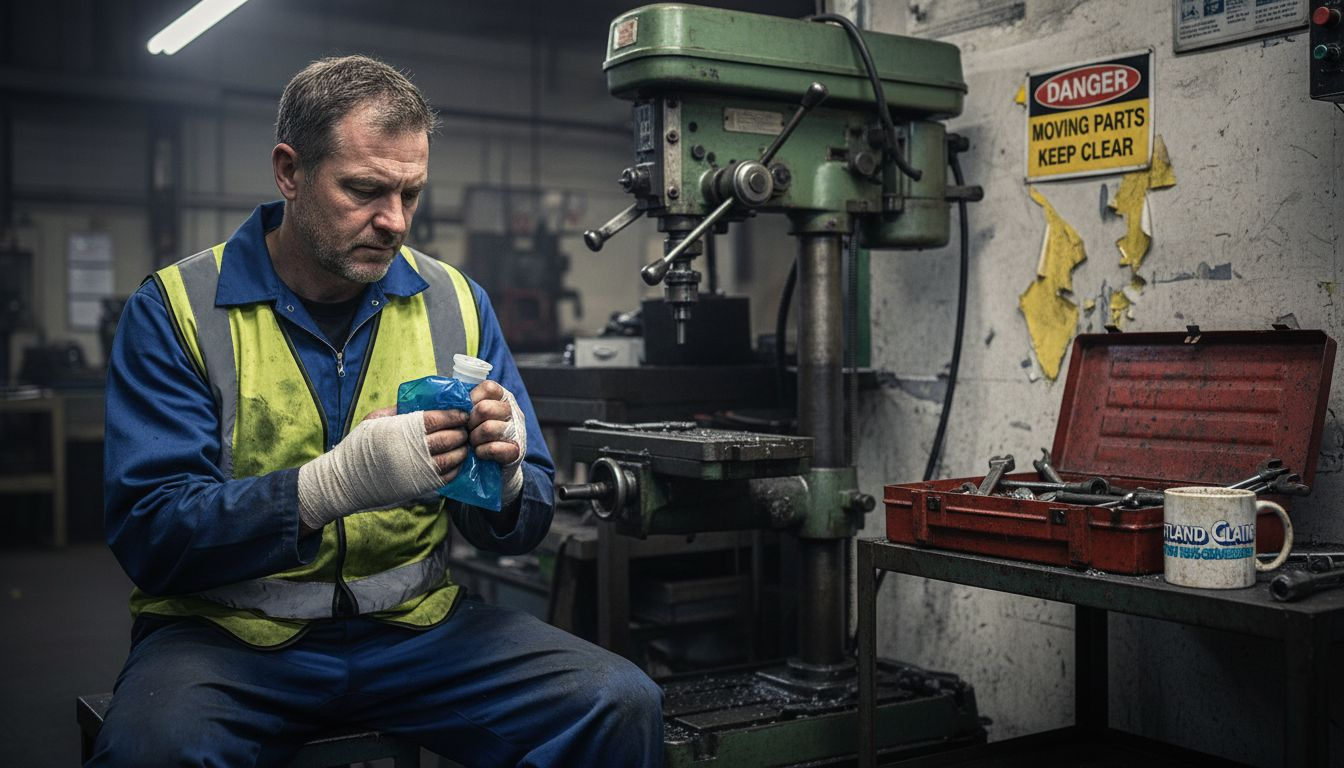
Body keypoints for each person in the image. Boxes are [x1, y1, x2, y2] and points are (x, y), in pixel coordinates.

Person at [89, 54, 663, 767]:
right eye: (364, 190)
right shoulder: (178, 309)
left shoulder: (455, 300)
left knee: (617, 701)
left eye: (411, 194)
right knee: (150, 752)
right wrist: (331, 486)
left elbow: (521, 522)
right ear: (289, 172)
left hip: (417, 634)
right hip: (226, 642)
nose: (393, 221)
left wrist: (507, 479)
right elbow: (151, 532)